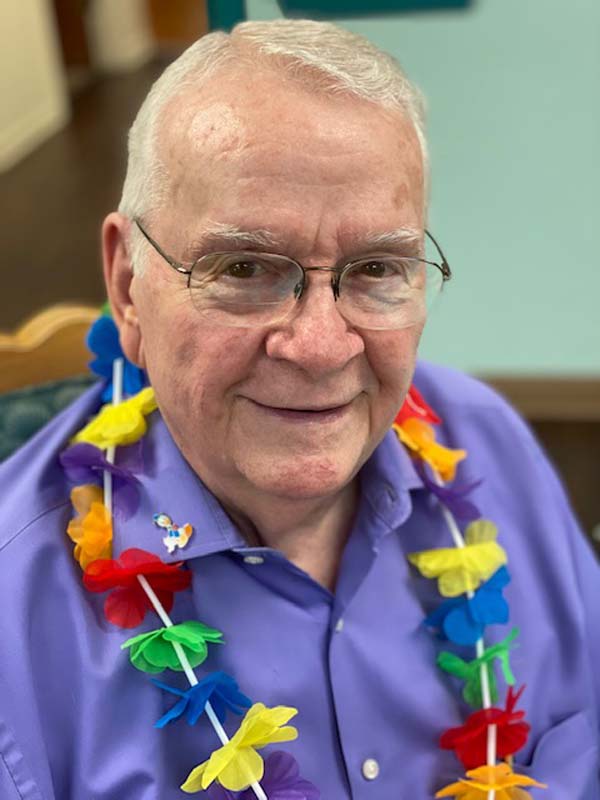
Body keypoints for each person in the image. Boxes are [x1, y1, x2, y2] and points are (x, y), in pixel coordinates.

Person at [0, 18, 598, 800]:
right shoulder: (15, 621)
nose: (320, 347)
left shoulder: (484, 440)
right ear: (127, 286)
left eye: (376, 267)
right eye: (245, 268)